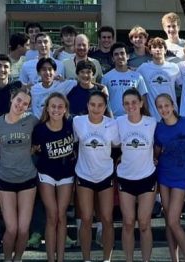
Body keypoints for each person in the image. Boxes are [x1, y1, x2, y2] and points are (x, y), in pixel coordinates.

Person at [0, 88, 39, 262]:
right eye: (18, 100)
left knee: (23, 229)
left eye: (25, 104)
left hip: (28, 179)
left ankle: (18, 259)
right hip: (5, 179)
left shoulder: (32, 121)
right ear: (12, 99)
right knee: (11, 228)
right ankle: (6, 259)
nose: (20, 105)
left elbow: (42, 138)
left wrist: (36, 148)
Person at [73, 90, 119, 262]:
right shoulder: (78, 122)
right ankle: (87, 258)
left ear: (105, 107)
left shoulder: (112, 124)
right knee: (85, 219)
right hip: (84, 175)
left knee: (107, 219)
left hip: (105, 175)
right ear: (87, 105)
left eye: (100, 105)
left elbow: (118, 145)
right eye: (92, 104)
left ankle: (107, 259)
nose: (96, 108)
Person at [32, 93, 77, 262]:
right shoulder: (40, 130)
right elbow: (33, 150)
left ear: (65, 109)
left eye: (60, 106)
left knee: (62, 215)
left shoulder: (71, 126)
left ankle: (61, 258)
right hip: (46, 174)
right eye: (53, 106)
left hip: (66, 174)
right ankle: (51, 258)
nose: (56, 110)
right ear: (47, 108)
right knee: (52, 215)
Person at [116, 88, 157, 262]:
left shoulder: (152, 122)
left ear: (141, 103)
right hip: (125, 177)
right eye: (126, 103)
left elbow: (160, 144)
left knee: (145, 223)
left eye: (134, 102)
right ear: (123, 106)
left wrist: (156, 156)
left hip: (147, 177)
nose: (131, 106)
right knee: (128, 223)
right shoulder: (118, 122)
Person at [154, 93, 185, 262]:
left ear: (173, 106)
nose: (164, 109)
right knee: (168, 220)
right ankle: (174, 259)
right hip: (164, 176)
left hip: (182, 177)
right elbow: (156, 153)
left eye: (166, 105)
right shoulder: (158, 128)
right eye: (160, 107)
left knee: (173, 221)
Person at [137, 37, 181, 121]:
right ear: (150, 51)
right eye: (154, 47)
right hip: (152, 116)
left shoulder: (174, 67)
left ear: (165, 50)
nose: (158, 50)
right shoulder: (143, 68)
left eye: (160, 47)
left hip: (172, 114)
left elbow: (184, 87)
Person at [102, 42, 148, 117]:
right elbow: (103, 101)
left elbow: (144, 100)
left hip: (133, 120)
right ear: (113, 59)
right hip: (113, 120)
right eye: (116, 54)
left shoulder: (137, 76)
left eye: (122, 53)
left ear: (127, 56)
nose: (120, 56)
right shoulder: (106, 77)